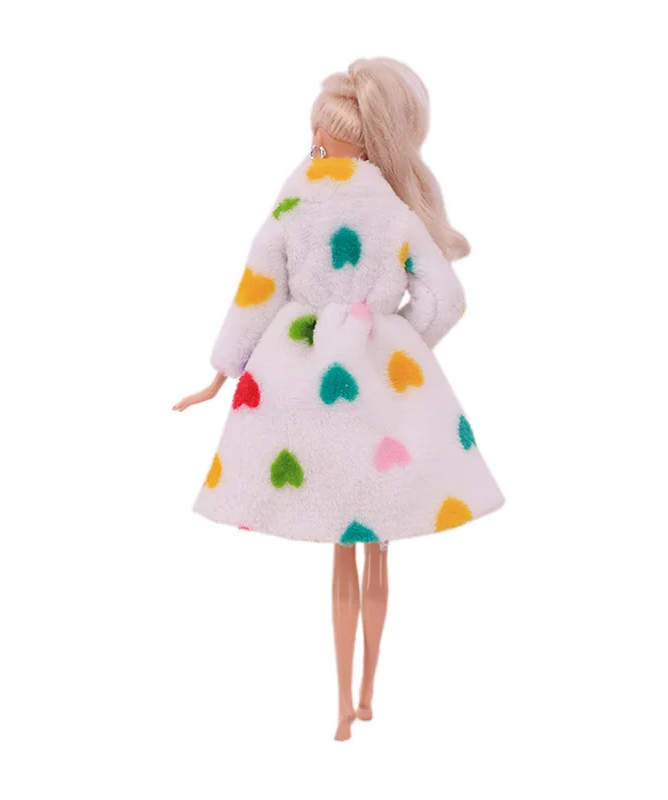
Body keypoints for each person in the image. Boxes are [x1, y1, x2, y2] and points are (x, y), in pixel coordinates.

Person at [174, 58, 504, 741]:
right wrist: (400, 345)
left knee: (340, 549)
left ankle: (342, 711)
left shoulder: (293, 205)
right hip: (384, 388)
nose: (314, 142)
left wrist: (222, 370)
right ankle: (368, 695)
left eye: (317, 133)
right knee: (378, 543)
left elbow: (257, 291)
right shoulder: (397, 211)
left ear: (326, 137)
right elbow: (446, 298)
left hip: (305, 390)